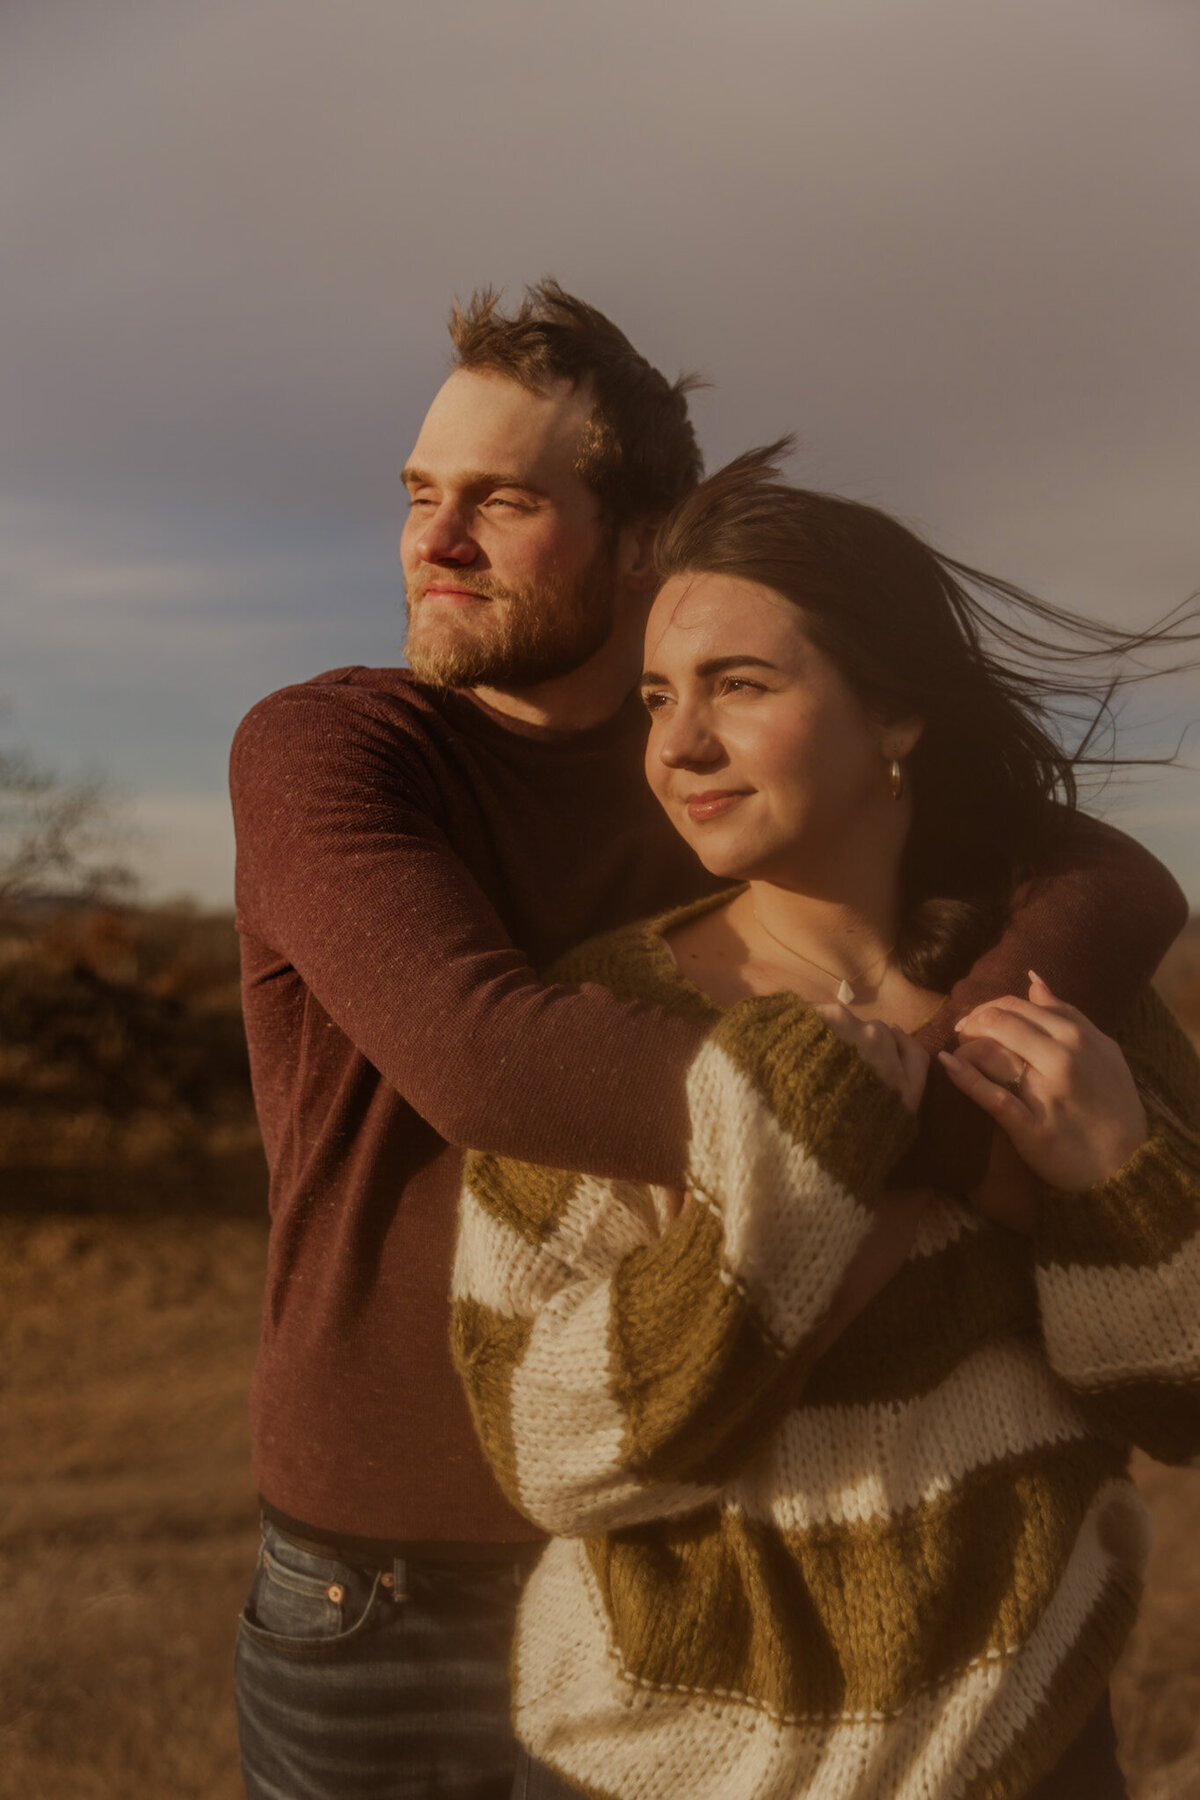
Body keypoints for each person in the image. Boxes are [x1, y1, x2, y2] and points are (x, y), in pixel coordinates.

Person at [230, 287, 1186, 1800]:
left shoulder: (731, 777)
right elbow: (495, 1064)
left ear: (643, 542)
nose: (434, 540)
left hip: (716, 1564)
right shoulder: (338, 751)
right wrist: (975, 1148)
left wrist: (1082, 1143)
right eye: (420, 495)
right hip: (390, 1570)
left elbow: (1107, 875)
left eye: (502, 500)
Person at [451, 446, 1200, 1800]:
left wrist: (1117, 1181)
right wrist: (800, 1175)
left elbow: (1185, 1396)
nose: (678, 745)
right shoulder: (606, 1021)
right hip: (657, 1766)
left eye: (741, 686)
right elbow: (544, 1450)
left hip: (1024, 1753)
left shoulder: (1061, 1007)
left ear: (895, 716)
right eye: (660, 697)